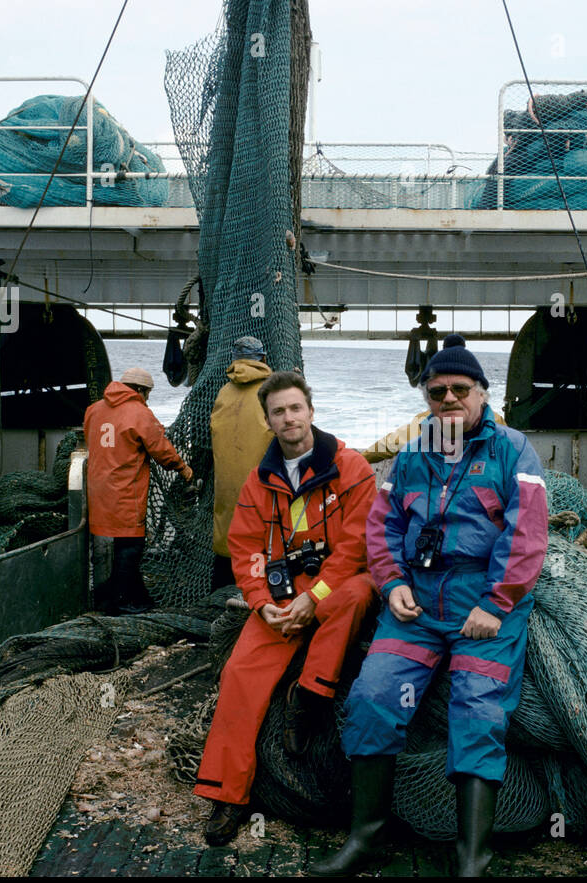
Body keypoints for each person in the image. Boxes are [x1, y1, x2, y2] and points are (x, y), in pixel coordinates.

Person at [314, 334, 549, 877]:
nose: (447, 400)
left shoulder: (513, 450)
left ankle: (472, 855)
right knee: (373, 697)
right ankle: (365, 837)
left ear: (482, 393)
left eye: (459, 389)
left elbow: (528, 534)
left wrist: (497, 602)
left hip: (484, 606)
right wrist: (390, 581)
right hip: (416, 606)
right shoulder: (412, 454)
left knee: (477, 710)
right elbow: (384, 524)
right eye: (436, 391)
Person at [195, 371, 379, 846]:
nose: (289, 417)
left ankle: (309, 696)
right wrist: (261, 605)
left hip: (334, 586)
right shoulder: (260, 482)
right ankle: (226, 795)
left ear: (311, 411)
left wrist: (311, 598)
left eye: (296, 407)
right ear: (268, 421)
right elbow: (244, 549)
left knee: (357, 594)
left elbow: (356, 549)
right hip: (279, 598)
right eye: (278, 411)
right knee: (239, 674)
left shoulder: (351, 467)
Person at [83, 367, 194, 615]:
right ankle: (121, 603)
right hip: (124, 491)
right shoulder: (139, 413)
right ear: (141, 390)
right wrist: (183, 468)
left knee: (112, 546)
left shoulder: (94, 409)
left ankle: (124, 596)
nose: (148, 399)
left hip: (98, 489)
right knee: (130, 548)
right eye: (148, 394)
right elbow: (160, 449)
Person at [209, 335, 274, 589]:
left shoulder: (224, 392)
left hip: (226, 488)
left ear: (235, 361)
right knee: (261, 541)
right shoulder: (272, 391)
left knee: (227, 541)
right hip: (262, 487)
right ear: (264, 359)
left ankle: (218, 598)